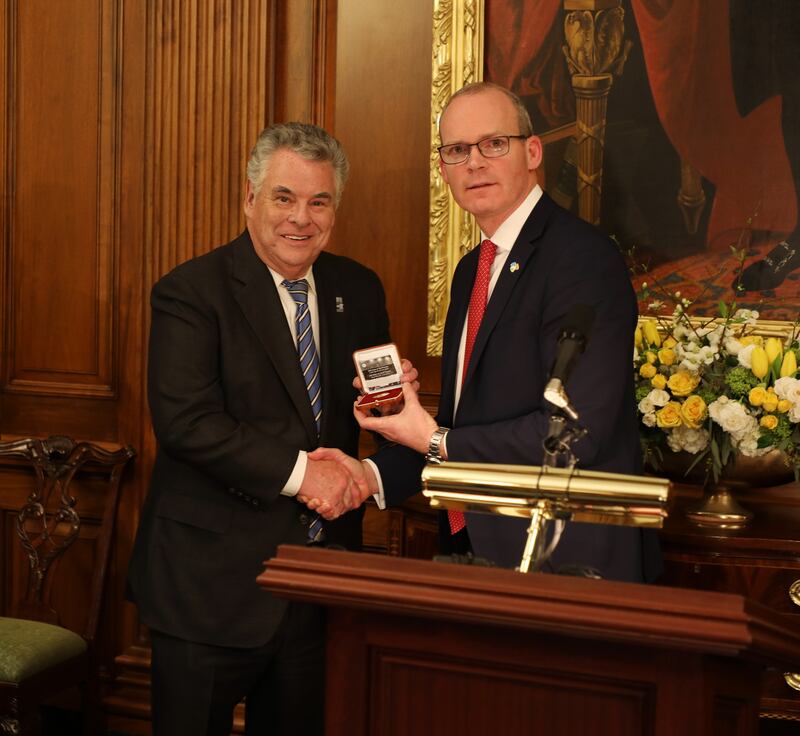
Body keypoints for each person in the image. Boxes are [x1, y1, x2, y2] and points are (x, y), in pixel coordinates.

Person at [127, 122, 414, 735]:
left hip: (320, 590)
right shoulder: (190, 292)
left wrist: (391, 421)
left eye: (319, 201)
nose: (300, 219)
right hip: (210, 586)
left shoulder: (357, 289)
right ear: (249, 199)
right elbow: (187, 424)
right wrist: (306, 472)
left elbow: (388, 418)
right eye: (283, 198)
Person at [312, 82, 661, 582]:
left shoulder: (582, 260)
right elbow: (463, 424)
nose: (474, 162)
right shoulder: (473, 269)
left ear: (533, 152)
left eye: (493, 143)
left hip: (564, 561)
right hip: (475, 547)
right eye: (456, 150)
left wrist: (432, 439)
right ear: (443, 170)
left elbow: (570, 435)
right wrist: (372, 474)